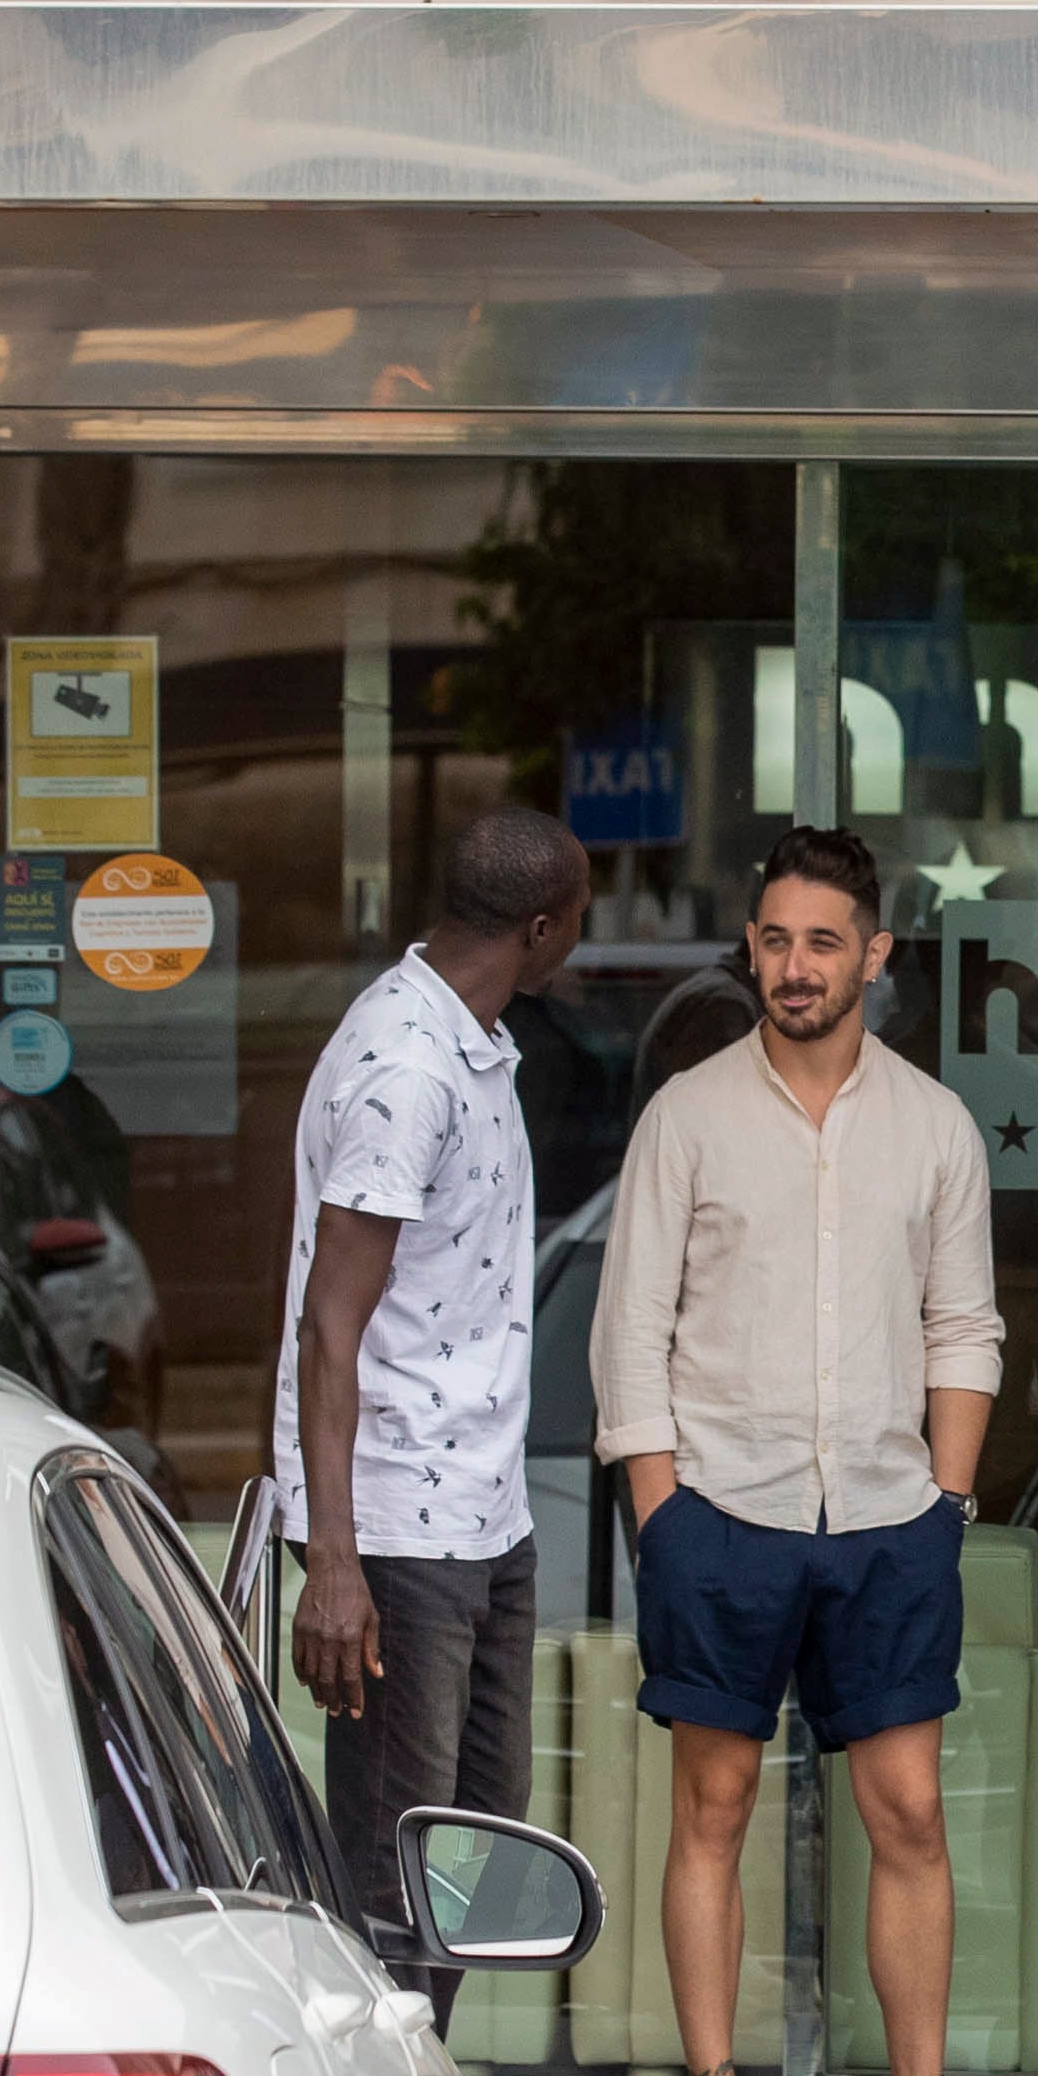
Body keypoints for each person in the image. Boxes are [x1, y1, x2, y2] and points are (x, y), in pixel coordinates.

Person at [592, 824, 1038, 2076]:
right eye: (775, 939)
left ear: (875, 954)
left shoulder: (933, 1123)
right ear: (752, 948)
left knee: (909, 1807)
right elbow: (632, 1336)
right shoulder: (688, 1114)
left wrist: (946, 1498)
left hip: (886, 1516)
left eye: (822, 941)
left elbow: (966, 1325)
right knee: (715, 1801)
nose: (794, 967)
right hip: (717, 1513)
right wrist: (661, 1508)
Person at [280, 807, 592, 1991]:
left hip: (478, 1516)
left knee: (468, 1869)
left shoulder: (470, 1039)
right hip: (398, 1540)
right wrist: (338, 1562)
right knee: (392, 1882)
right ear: (541, 924)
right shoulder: (406, 1069)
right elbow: (329, 1324)